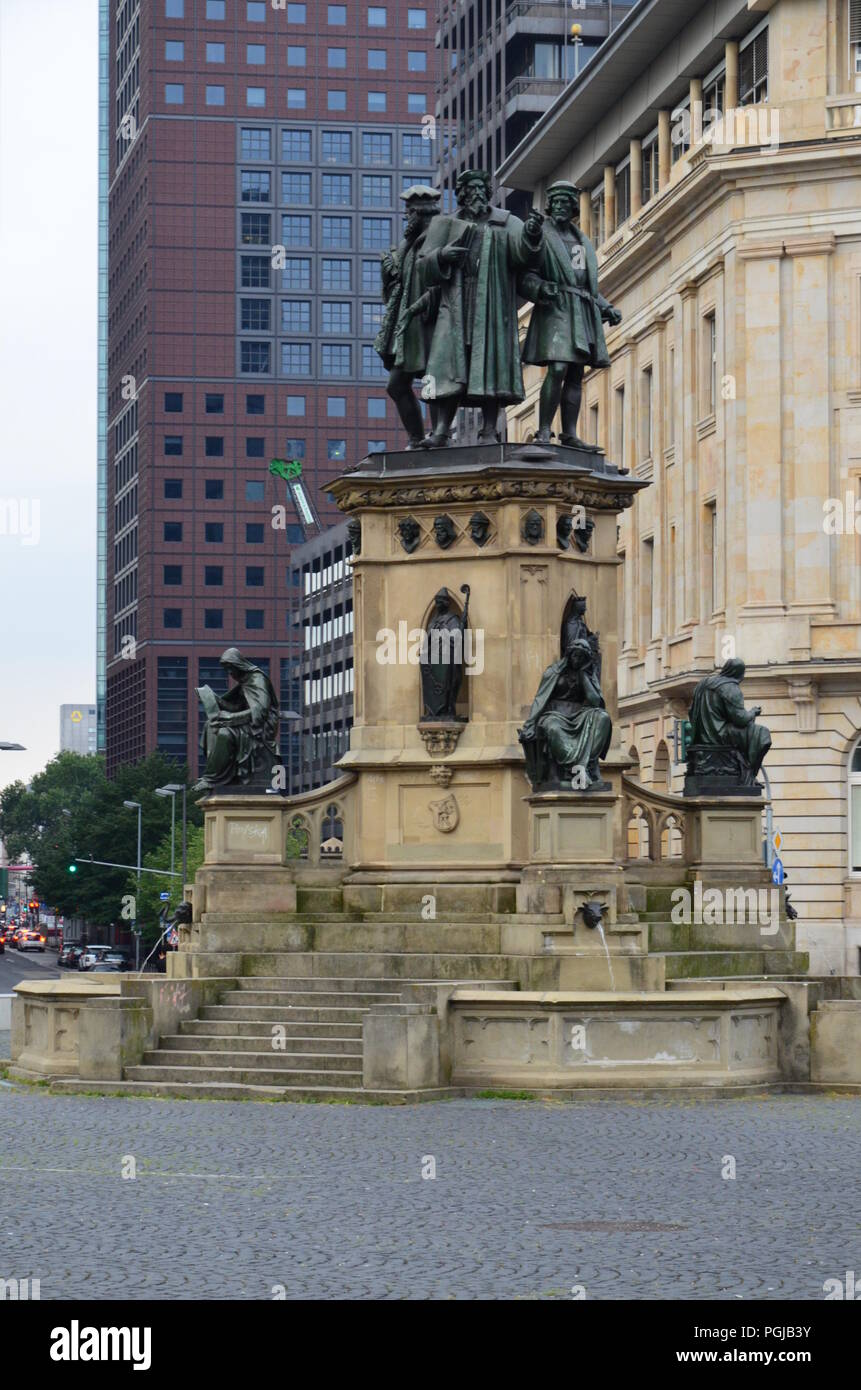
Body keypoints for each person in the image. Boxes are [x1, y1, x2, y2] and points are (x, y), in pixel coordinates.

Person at [416, 169, 544, 447]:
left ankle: (489, 431)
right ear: (461, 194)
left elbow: (525, 256)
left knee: (491, 364)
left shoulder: (506, 222)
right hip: (455, 304)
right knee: (448, 365)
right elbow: (422, 267)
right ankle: (440, 431)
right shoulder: (445, 224)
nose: (476, 193)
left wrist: (532, 235)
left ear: (488, 192)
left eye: (480, 188)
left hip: (492, 304)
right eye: (470, 188)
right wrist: (442, 255)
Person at [518, 180, 622, 448]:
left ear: (573, 207)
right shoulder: (542, 235)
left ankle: (570, 433)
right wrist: (541, 288)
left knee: (576, 372)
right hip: (556, 308)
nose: (562, 207)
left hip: (581, 309)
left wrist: (605, 306)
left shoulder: (581, 241)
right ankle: (543, 429)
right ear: (550, 207)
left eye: (567, 203)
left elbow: (587, 286)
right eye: (557, 203)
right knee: (559, 367)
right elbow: (525, 274)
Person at [374, 185, 441, 448]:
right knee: (397, 385)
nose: (406, 217)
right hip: (408, 326)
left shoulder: (438, 238)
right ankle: (416, 437)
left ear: (422, 213)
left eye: (410, 212)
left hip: (434, 322)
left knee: (432, 383)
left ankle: (438, 437)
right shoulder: (407, 244)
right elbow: (395, 287)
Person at [519, 638, 612, 790]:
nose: (577, 659)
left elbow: (595, 701)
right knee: (553, 728)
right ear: (569, 654)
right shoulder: (553, 672)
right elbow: (540, 700)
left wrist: (583, 675)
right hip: (554, 714)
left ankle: (585, 766)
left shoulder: (587, 675)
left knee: (603, 717)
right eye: (576, 655)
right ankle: (576, 769)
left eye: (582, 657)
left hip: (580, 715)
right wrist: (529, 725)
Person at [193, 648, 279, 793]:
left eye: (231, 669)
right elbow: (236, 706)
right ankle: (219, 772)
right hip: (247, 721)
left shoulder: (257, 679)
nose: (230, 674)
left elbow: (261, 710)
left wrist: (230, 718)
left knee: (225, 734)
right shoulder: (245, 682)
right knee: (210, 725)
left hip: (260, 726)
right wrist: (214, 699)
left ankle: (212, 778)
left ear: (239, 665)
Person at [688, 659, 771, 779]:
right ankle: (749, 773)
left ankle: (746, 770)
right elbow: (740, 719)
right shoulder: (730, 688)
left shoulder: (703, 683)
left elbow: (691, 712)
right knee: (763, 734)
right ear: (739, 673)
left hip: (701, 736)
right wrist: (753, 712)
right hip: (721, 735)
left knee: (753, 733)